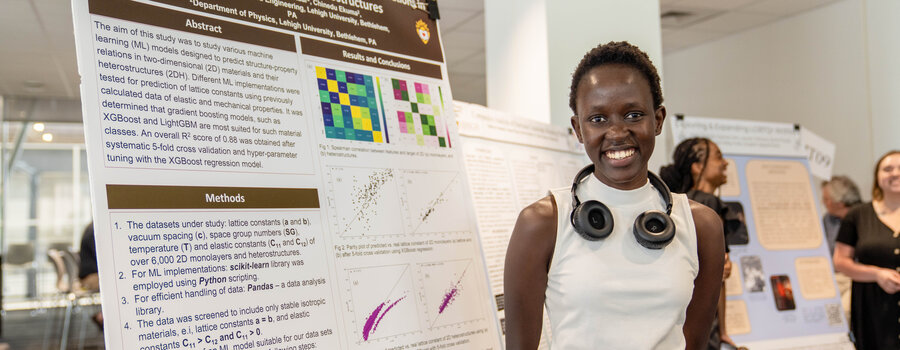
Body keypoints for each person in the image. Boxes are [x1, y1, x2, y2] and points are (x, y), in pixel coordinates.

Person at [504, 41, 724, 350]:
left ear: (658, 120)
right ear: (578, 129)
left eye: (633, 115)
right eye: (598, 119)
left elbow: (695, 343)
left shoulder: (702, 226)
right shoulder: (543, 223)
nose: (617, 132)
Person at [659, 138, 739, 350]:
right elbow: (718, 276)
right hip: (704, 323)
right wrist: (723, 332)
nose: (725, 163)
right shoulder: (707, 207)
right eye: (718, 157)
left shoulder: (676, 206)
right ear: (697, 166)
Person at [833, 150, 900, 350]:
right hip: (873, 306)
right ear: (877, 177)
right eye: (888, 169)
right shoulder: (858, 215)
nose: (895, 173)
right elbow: (840, 261)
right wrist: (876, 274)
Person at [821, 176, 862, 256]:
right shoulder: (828, 219)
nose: (822, 202)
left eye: (826, 199)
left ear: (840, 203)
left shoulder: (867, 217)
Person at [78, 222, 103, 329]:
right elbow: (102, 257)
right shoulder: (94, 229)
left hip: (91, 275)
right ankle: (104, 316)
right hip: (91, 277)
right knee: (118, 282)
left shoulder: (93, 227)